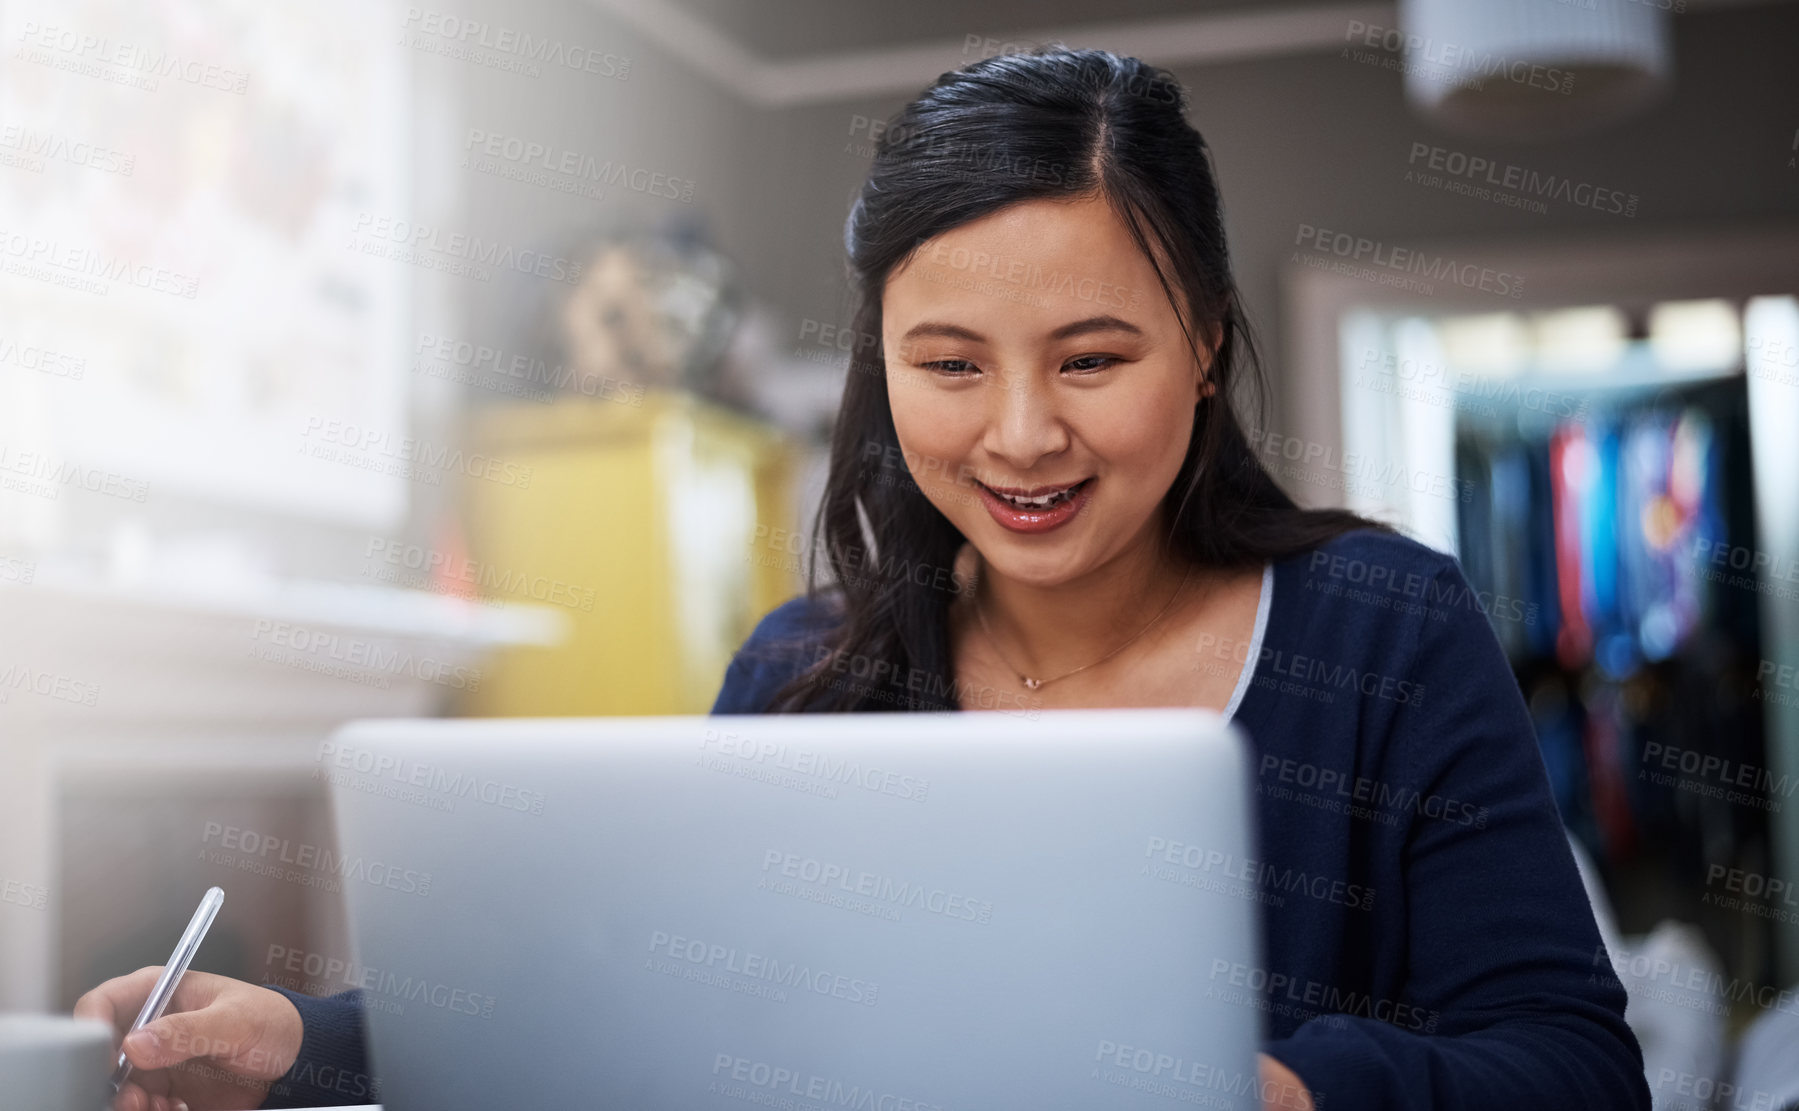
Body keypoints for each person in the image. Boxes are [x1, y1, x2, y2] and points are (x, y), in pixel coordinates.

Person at [75, 47, 1650, 1111]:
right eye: (949, 363)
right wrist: (304, 1044)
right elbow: (637, 1006)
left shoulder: (1382, 630)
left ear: (1208, 345)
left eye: (1093, 358)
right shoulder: (798, 670)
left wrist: (1289, 1088)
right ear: (881, 368)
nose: (1023, 436)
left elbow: (1574, 1066)